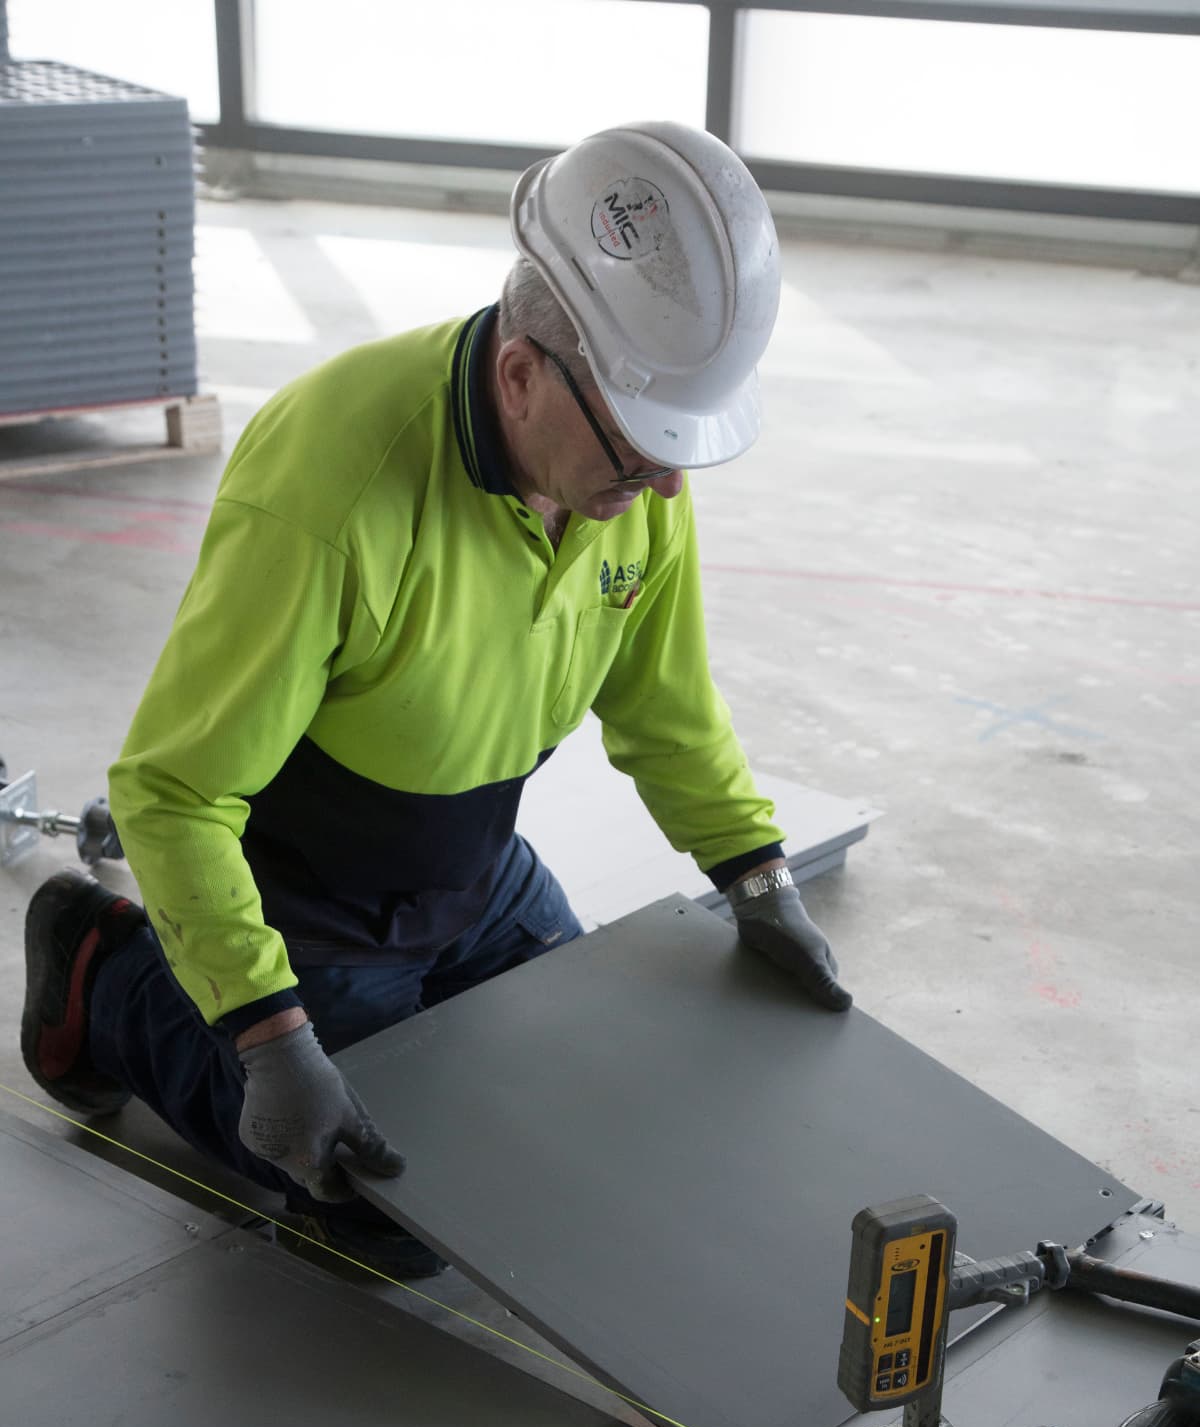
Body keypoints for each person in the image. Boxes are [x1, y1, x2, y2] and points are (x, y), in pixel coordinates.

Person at [21, 121, 851, 1278]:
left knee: (588, 1116)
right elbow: (173, 792)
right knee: (395, 1221)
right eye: (639, 450)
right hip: (309, 900)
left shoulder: (626, 473)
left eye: (678, 447)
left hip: (477, 874)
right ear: (521, 376)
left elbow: (665, 703)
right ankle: (106, 973)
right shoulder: (330, 485)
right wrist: (268, 1036)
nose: (666, 484)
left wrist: (756, 878)